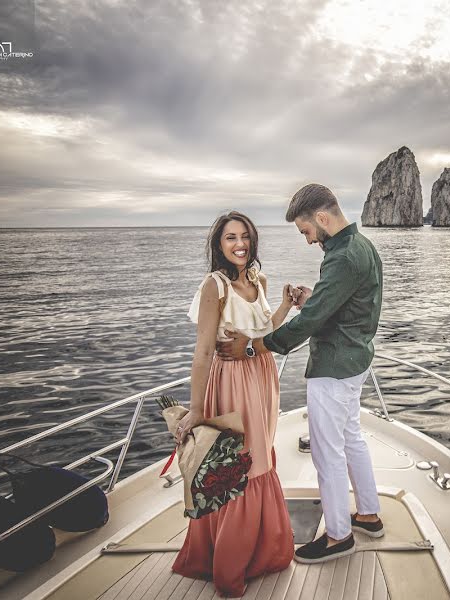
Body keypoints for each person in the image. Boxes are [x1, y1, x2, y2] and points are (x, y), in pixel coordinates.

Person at [218, 184, 384, 564]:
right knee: (352, 438)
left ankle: (339, 535)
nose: (308, 241)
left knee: (327, 452)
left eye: (306, 231)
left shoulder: (342, 257)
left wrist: (254, 345)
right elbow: (352, 306)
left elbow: (310, 322)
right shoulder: (362, 247)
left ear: (322, 218)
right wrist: (317, 299)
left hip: (334, 366)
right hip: (355, 360)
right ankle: (369, 514)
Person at [172, 211, 295, 597]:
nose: (239, 244)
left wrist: (286, 306)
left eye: (244, 236)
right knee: (241, 465)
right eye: (230, 238)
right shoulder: (215, 286)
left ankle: (262, 552)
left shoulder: (259, 279)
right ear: (219, 245)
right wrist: (195, 409)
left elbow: (264, 331)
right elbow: (204, 350)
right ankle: (229, 564)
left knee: (262, 459)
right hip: (231, 384)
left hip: (262, 377)